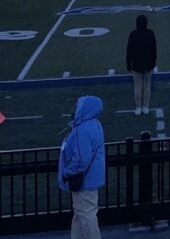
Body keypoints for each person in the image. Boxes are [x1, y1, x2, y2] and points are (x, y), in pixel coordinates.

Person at [58, 95, 106, 239]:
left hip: (83, 180)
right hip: (91, 178)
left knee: (86, 215)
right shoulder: (95, 124)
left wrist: (67, 172)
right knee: (82, 212)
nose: (74, 109)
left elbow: (80, 160)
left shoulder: (81, 130)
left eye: (77, 106)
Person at [125, 15, 157, 116]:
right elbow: (154, 49)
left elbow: (129, 50)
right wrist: (153, 63)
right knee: (147, 86)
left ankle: (138, 108)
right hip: (148, 64)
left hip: (136, 64)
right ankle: (146, 107)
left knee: (137, 87)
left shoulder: (133, 34)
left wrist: (128, 63)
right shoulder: (150, 33)